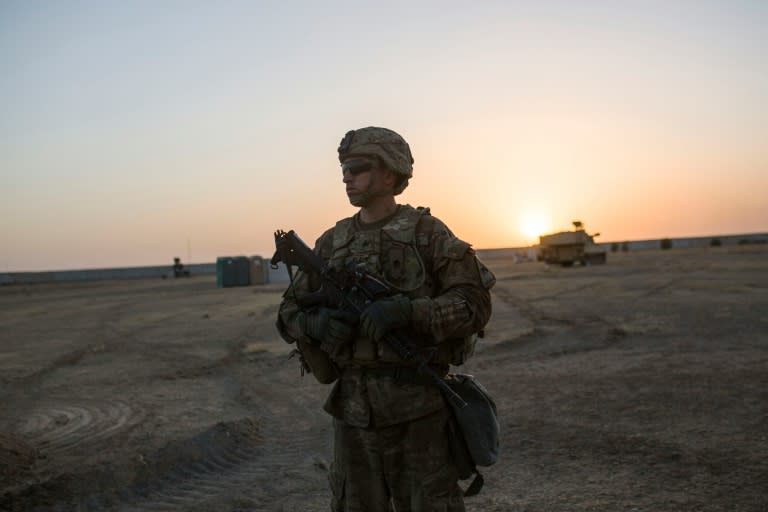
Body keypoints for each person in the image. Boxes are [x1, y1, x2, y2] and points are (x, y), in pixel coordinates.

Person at [276, 126, 495, 511]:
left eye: (357, 167)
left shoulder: (427, 233)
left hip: (419, 411)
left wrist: (409, 311)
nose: (346, 176)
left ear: (390, 174)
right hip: (353, 415)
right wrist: (315, 324)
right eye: (344, 168)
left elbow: (474, 305)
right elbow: (288, 313)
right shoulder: (331, 242)